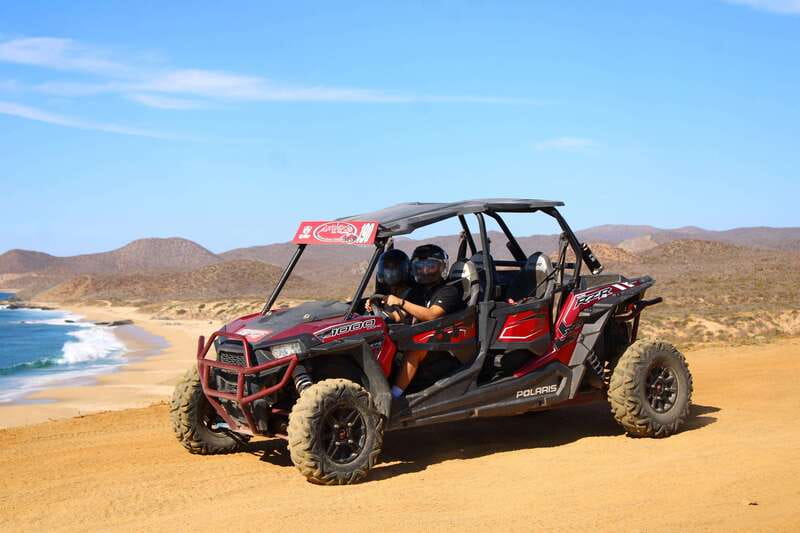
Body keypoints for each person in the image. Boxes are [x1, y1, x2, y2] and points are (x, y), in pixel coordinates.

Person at [384, 244, 463, 398]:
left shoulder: (448, 291)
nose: (424, 271)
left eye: (431, 266)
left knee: (416, 346)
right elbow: (403, 316)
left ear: (441, 268)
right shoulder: (418, 291)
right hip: (429, 336)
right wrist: (383, 313)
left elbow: (432, 315)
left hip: (449, 344)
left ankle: (394, 397)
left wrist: (401, 302)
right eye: (419, 266)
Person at [366, 249, 417, 324]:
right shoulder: (383, 291)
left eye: (394, 268)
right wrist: (371, 306)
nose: (390, 273)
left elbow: (398, 316)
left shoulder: (413, 294)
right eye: (387, 268)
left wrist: (381, 315)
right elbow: (375, 304)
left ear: (403, 269)